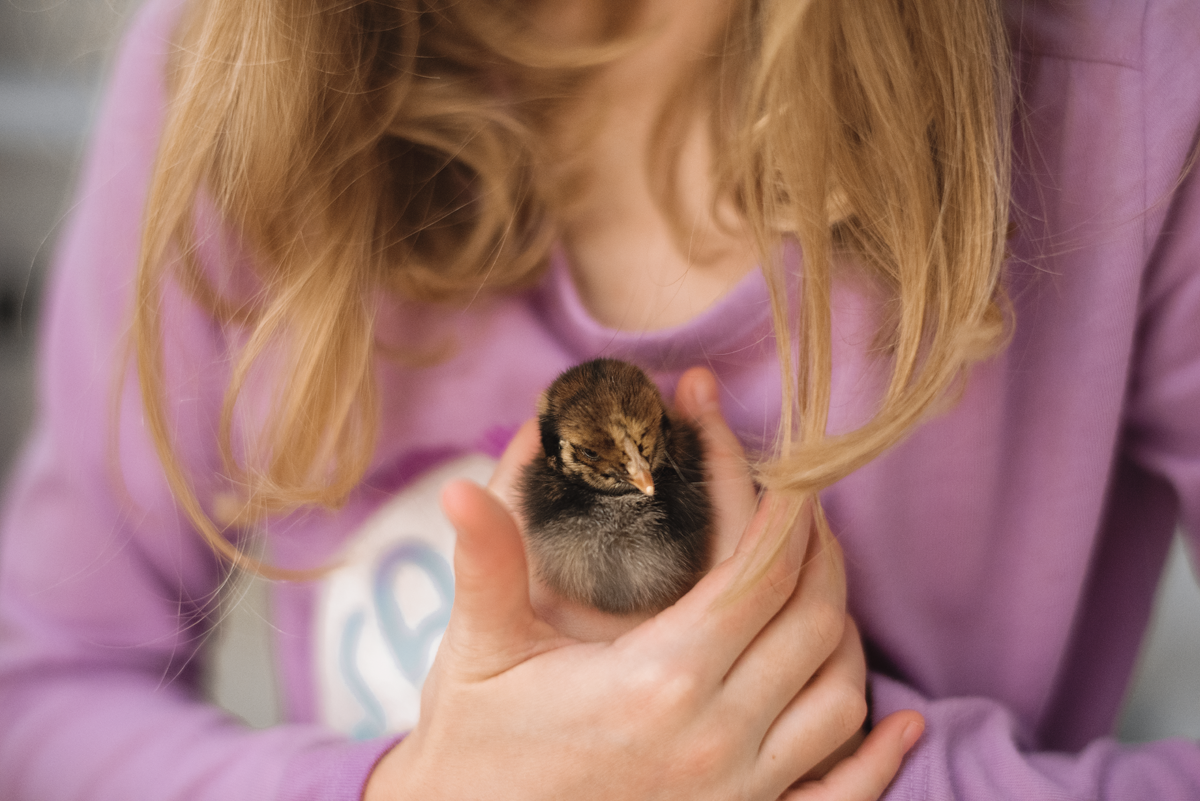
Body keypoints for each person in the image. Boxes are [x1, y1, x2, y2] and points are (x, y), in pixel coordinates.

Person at [1, 0, 1198, 798]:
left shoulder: (1134, 77)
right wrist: (414, 790)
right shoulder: (241, 66)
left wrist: (857, 765)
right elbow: (37, 692)